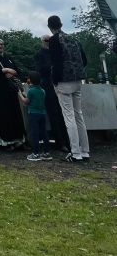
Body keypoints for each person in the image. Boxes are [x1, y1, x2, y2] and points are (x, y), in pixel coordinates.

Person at [47, 15, 89, 163]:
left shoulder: (54, 40)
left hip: (64, 82)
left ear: (49, 26)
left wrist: (55, 80)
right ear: (61, 24)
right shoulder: (73, 39)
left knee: (68, 117)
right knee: (79, 116)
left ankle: (75, 152)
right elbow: (84, 60)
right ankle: (85, 151)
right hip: (78, 79)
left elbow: (56, 62)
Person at [0, 38, 26, 149]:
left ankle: (17, 140)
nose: (0, 46)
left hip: (11, 91)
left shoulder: (8, 57)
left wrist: (11, 73)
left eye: (2, 44)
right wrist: (4, 71)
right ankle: (6, 142)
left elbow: (18, 71)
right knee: (3, 116)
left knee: (15, 115)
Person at [34, 35, 69, 152]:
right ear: (42, 42)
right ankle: (60, 143)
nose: (48, 43)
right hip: (48, 88)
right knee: (54, 116)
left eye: (50, 41)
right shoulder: (38, 55)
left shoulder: (56, 53)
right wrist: (53, 63)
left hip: (60, 86)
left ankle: (68, 141)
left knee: (64, 115)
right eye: (46, 41)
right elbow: (41, 70)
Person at [19, 72, 52, 162]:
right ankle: (46, 152)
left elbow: (26, 102)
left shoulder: (31, 91)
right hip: (42, 113)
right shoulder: (42, 91)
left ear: (30, 81)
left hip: (33, 113)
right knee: (44, 133)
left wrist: (20, 95)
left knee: (35, 133)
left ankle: (36, 153)